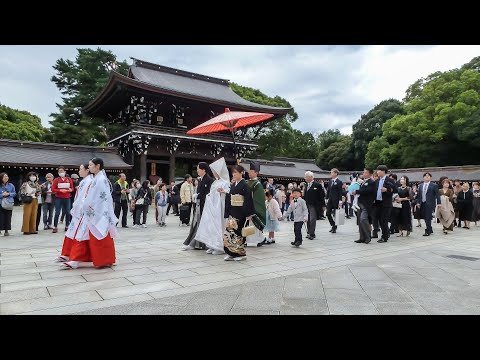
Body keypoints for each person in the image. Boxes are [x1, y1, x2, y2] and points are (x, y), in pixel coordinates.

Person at [59, 158, 117, 270]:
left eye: (91, 165)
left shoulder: (100, 180)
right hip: (92, 211)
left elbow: (102, 199)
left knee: (93, 236)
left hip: (96, 212)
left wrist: (89, 208)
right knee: (86, 235)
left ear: (98, 166)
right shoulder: (97, 178)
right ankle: (76, 259)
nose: (89, 167)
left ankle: (79, 260)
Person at [55, 163, 92, 262]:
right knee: (71, 232)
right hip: (77, 210)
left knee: (80, 234)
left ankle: (76, 256)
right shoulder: (83, 181)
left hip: (82, 211)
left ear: (87, 170)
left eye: (80, 169)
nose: (79, 171)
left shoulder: (90, 181)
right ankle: (66, 253)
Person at [195, 157, 231, 255]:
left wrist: (223, 192)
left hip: (220, 208)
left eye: (215, 171)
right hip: (213, 207)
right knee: (212, 226)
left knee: (220, 226)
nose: (214, 173)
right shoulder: (215, 182)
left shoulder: (225, 182)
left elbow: (228, 193)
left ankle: (221, 246)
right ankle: (212, 244)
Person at [223, 165, 255, 261]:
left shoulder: (245, 185)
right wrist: (227, 211)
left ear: (241, 173)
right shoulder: (233, 185)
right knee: (229, 233)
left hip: (241, 213)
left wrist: (249, 214)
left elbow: (248, 200)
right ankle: (231, 253)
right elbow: (229, 198)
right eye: (233, 172)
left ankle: (241, 254)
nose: (234, 174)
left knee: (239, 234)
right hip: (233, 212)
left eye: (236, 172)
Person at [182, 163, 214, 250]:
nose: (197, 171)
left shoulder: (209, 180)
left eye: (198, 169)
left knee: (201, 225)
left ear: (204, 170)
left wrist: (198, 195)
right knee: (197, 224)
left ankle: (197, 244)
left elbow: (208, 194)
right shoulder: (200, 180)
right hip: (199, 205)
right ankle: (196, 243)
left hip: (205, 206)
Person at [243, 160, 267, 246]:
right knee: (247, 225)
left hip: (252, 208)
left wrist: (252, 211)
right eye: (249, 171)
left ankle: (259, 239)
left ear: (256, 172)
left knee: (253, 225)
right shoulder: (246, 182)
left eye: (251, 171)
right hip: (246, 207)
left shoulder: (257, 184)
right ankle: (249, 240)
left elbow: (258, 200)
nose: (249, 172)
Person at [373, 165, 397, 243]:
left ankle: (384, 236)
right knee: (379, 220)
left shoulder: (389, 180)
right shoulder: (376, 181)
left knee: (384, 220)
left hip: (386, 203)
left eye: (378, 170)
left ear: (383, 171)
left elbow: (395, 189)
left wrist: (387, 189)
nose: (377, 172)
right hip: (377, 203)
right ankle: (386, 233)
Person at [353, 167, 376, 244]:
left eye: (366, 172)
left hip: (366, 204)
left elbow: (368, 190)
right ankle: (362, 237)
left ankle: (368, 236)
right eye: (364, 172)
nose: (364, 173)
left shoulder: (371, 182)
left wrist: (357, 191)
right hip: (360, 203)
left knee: (363, 219)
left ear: (370, 174)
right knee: (360, 220)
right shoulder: (363, 182)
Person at [415, 172, 441, 236]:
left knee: (428, 217)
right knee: (424, 216)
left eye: (428, 176)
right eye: (425, 176)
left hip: (430, 203)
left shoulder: (434, 185)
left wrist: (439, 203)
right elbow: (419, 195)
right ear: (423, 177)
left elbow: (437, 195)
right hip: (422, 203)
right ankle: (430, 228)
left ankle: (428, 230)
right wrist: (418, 202)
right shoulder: (420, 185)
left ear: (430, 178)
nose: (427, 177)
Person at [52, 166, 74, 233]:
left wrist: (70, 190)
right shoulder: (56, 180)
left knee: (67, 212)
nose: (61, 172)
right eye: (59, 171)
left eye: (62, 171)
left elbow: (72, 188)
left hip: (67, 198)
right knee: (57, 212)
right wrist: (60, 190)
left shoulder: (69, 179)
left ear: (65, 171)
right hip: (59, 197)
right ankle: (55, 226)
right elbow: (53, 189)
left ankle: (67, 225)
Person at [304, 171, 325, 238]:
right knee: (308, 219)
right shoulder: (306, 185)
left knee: (312, 219)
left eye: (306, 176)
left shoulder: (317, 185)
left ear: (311, 177)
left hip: (314, 205)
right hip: (307, 204)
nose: (305, 178)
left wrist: (323, 205)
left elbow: (322, 195)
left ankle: (312, 233)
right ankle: (309, 232)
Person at [325, 168, 343, 234]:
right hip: (330, 199)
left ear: (336, 173)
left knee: (336, 214)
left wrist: (340, 201)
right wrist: (326, 198)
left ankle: (334, 227)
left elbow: (340, 192)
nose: (331, 173)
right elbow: (328, 190)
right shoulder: (330, 181)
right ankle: (333, 224)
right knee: (328, 213)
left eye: (332, 172)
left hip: (336, 200)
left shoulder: (339, 182)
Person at [0, 172, 16, 236]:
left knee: (8, 217)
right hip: (1, 202)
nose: (6, 178)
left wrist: (9, 194)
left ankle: (6, 230)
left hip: (9, 202)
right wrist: (2, 195)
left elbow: (14, 193)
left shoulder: (11, 185)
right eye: (4, 176)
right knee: (1, 217)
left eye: (7, 176)